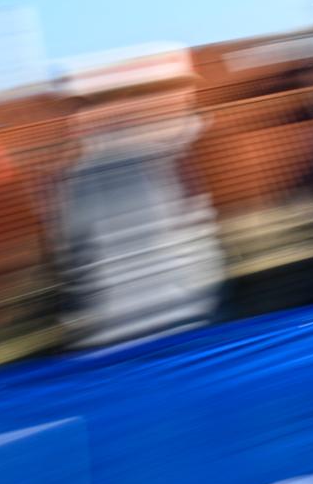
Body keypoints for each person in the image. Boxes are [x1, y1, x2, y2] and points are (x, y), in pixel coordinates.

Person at [49, 45, 225, 349]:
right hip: (163, 340)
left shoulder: (186, 150)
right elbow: (139, 294)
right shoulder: (110, 168)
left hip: (185, 333)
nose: (186, 98)